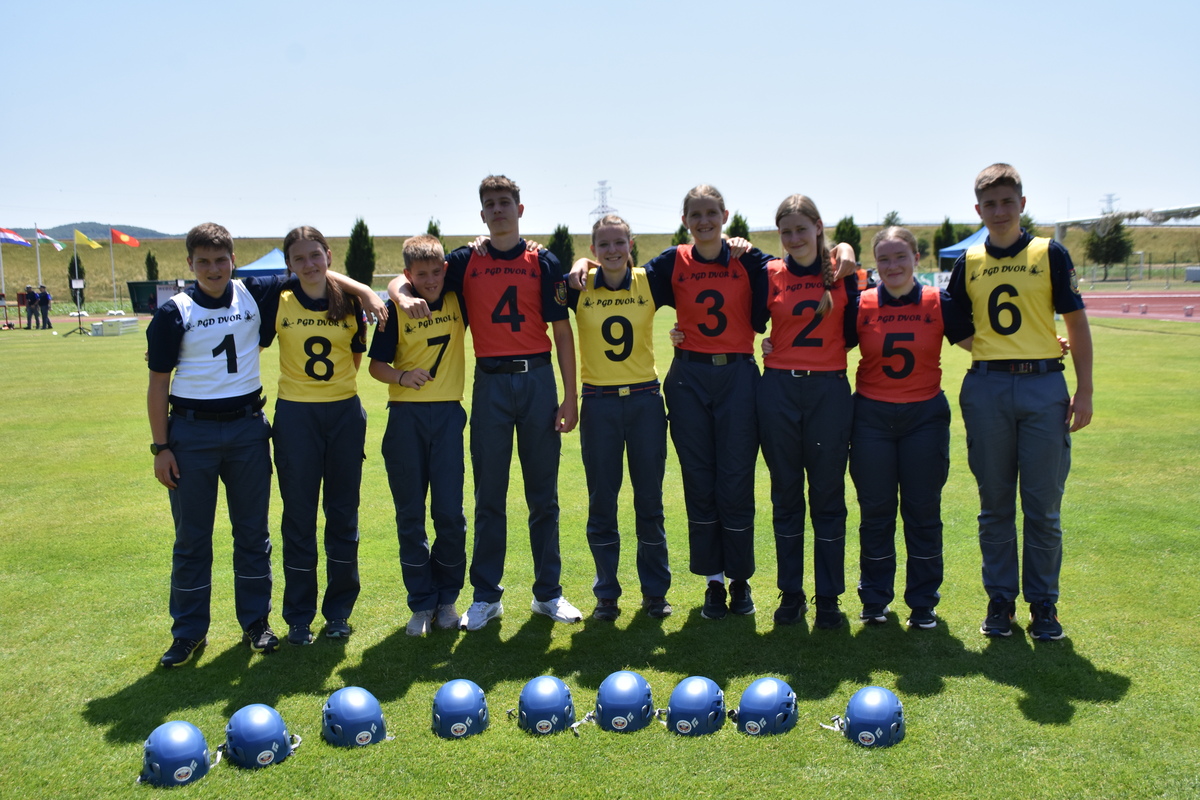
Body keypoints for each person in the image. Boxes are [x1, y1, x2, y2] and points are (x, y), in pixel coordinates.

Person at [388, 175, 582, 631]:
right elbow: (411, 274)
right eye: (490, 204)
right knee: (488, 495)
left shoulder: (543, 259)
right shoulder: (465, 260)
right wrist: (397, 293)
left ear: (520, 209)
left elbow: (562, 330)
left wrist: (571, 395)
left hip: (537, 379)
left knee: (543, 496)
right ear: (481, 214)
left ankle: (548, 593)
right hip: (490, 382)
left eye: (505, 202)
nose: (498, 210)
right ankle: (486, 596)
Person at [948, 163, 1093, 641]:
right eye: (990, 204)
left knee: (1043, 507)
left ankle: (1044, 605)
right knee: (994, 506)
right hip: (987, 387)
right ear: (978, 210)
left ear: (1022, 204)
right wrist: (1001, 349)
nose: (999, 211)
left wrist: (1085, 389)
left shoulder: (1048, 253)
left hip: (1043, 387)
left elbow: (1076, 322)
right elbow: (956, 325)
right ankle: (1000, 601)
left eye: (1007, 201)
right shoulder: (967, 262)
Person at [146, 223, 281, 667]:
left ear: (233, 260)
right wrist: (161, 447)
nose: (213, 269)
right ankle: (188, 632)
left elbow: (312, 270)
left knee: (253, 534)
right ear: (189, 263)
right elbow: (158, 384)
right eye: (202, 261)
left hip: (247, 429)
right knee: (191, 540)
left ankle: (256, 622)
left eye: (221, 260)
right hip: (191, 434)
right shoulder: (174, 312)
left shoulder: (252, 293)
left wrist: (369, 293)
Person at [258, 226, 379, 645]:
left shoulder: (349, 302)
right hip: (296, 417)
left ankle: (339, 612)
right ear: (288, 264)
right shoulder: (278, 298)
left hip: (343, 414)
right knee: (299, 518)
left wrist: (362, 290)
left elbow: (355, 356)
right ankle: (298, 616)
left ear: (328, 254)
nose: (309, 264)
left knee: (343, 516)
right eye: (299, 258)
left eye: (315, 255)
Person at [849, 226, 973, 630]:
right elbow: (826, 344)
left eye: (900, 256)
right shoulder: (862, 303)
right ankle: (874, 598)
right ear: (875, 264)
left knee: (923, 512)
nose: (892, 266)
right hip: (871, 418)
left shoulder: (939, 301)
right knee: (876, 512)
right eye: (883, 259)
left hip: (924, 418)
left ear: (916, 258)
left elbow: (981, 342)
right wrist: (773, 345)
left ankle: (923, 602)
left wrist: (1040, 344)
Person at [755, 194, 859, 629]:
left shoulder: (845, 272)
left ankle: (829, 597)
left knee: (828, 495)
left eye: (801, 228)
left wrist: (847, 249)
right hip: (779, 389)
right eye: (786, 231)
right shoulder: (770, 274)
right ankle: (791, 592)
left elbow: (856, 332)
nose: (794, 238)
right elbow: (747, 322)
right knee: (785, 494)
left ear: (818, 226)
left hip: (828, 390)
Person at [567, 215, 672, 621]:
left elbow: (692, 264)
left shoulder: (649, 281)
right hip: (599, 403)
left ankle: (655, 593)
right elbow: (547, 278)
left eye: (619, 242)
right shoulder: (578, 286)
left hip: (645, 400)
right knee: (602, 503)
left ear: (631, 245)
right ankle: (606, 594)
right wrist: (578, 264)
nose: (613, 250)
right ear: (593, 250)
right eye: (604, 244)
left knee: (650, 502)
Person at [369, 234, 469, 636]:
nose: (430, 280)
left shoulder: (457, 297)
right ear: (408, 274)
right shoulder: (397, 310)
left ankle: (447, 599)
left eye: (435, 272)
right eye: (420, 274)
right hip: (405, 418)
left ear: (444, 270)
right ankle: (422, 603)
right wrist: (402, 376)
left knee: (450, 515)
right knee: (410, 515)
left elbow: (473, 257)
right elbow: (375, 366)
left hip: (447, 416)